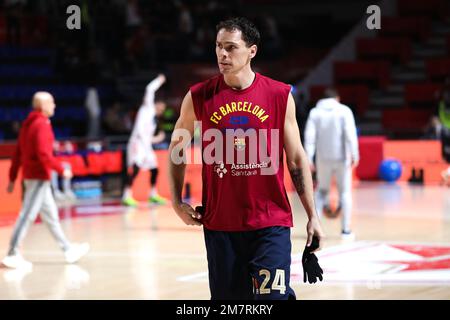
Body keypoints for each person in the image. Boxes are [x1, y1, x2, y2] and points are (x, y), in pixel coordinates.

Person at [168, 17, 324, 300]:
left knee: (271, 300)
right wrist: (176, 201)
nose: (222, 54)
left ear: (252, 51)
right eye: (218, 46)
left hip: (270, 222)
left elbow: (296, 159)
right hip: (220, 226)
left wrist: (313, 216)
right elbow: (177, 148)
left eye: (231, 47)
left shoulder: (279, 94)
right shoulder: (199, 96)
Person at [2, 92, 90, 270]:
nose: (54, 105)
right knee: (27, 214)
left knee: (51, 217)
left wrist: (12, 177)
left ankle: (68, 250)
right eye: (51, 102)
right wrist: (61, 169)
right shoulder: (41, 125)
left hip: (34, 176)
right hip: (38, 177)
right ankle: (12, 253)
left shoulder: (27, 124)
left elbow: (18, 152)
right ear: (42, 106)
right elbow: (44, 155)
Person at [304, 88, 359, 240]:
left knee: (321, 191)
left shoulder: (315, 112)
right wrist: (354, 154)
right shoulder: (344, 110)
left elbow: (310, 136)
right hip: (342, 158)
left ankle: (316, 229)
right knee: (345, 193)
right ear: (337, 98)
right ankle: (345, 230)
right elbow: (350, 134)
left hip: (323, 158)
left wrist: (309, 157)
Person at [122, 74, 168, 206]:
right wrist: (159, 80)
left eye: (163, 110)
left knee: (154, 169)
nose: (161, 110)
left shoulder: (154, 119)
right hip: (137, 143)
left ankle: (153, 194)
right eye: (161, 107)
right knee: (135, 169)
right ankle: (126, 196)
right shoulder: (147, 107)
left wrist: (157, 138)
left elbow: (148, 138)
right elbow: (149, 89)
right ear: (157, 103)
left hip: (146, 146)